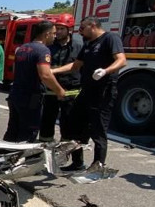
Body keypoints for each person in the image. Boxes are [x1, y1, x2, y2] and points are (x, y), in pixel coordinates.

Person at [52, 16, 127, 172]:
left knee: (98, 129)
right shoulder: (88, 45)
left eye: (82, 28)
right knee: (74, 126)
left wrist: (106, 71)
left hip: (103, 91)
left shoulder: (110, 38)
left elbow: (121, 60)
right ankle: (77, 162)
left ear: (92, 26)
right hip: (86, 90)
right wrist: (53, 71)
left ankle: (98, 165)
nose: (80, 32)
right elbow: (76, 65)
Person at [3, 21, 66, 142]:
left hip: (15, 94)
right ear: (46, 34)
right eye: (53, 33)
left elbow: (16, 71)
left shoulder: (22, 48)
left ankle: (3, 157)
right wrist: (59, 90)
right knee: (28, 132)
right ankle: (20, 159)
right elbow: (45, 75)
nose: (55, 35)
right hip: (31, 98)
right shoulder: (43, 50)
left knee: (13, 130)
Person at [40, 14, 84, 167]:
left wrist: (55, 71)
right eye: (56, 29)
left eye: (61, 29)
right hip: (51, 92)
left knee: (70, 128)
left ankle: (77, 162)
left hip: (71, 91)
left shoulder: (79, 45)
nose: (57, 32)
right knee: (46, 126)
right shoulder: (50, 46)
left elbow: (77, 66)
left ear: (69, 29)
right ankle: (43, 160)